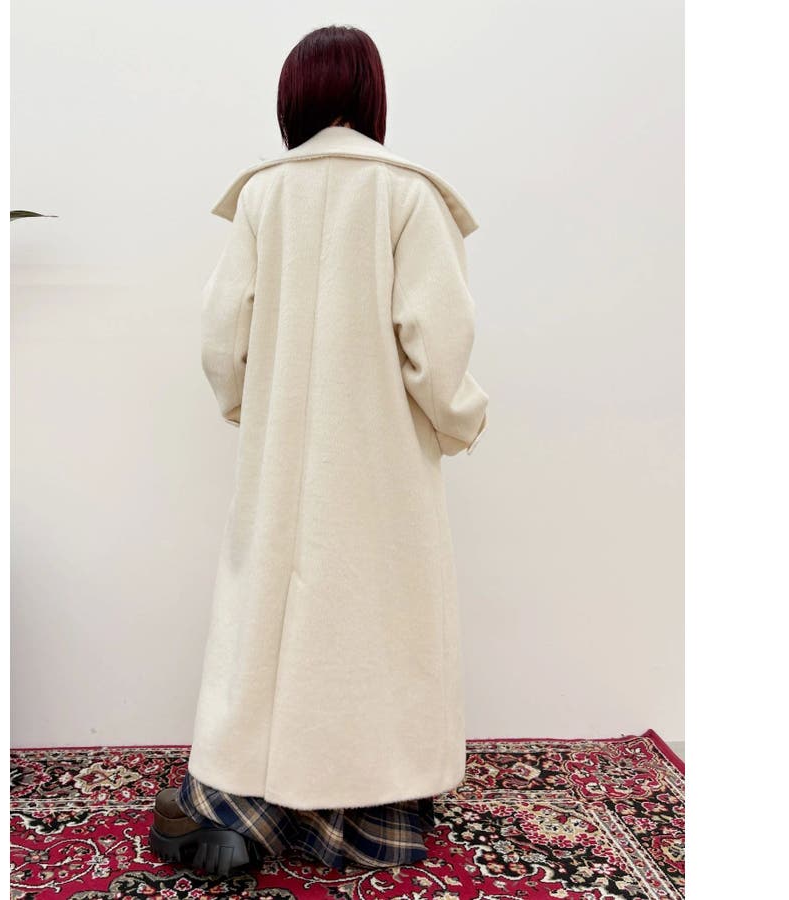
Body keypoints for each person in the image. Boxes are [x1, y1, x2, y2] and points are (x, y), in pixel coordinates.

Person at [149, 24, 489, 875]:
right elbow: (436, 343)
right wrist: (460, 419)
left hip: (282, 455)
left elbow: (221, 338)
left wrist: (249, 407)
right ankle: (370, 822)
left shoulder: (263, 196)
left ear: (293, 98)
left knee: (266, 621)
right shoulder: (408, 195)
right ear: (372, 96)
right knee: (373, 623)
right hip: (379, 462)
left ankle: (246, 812)